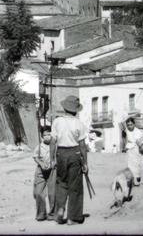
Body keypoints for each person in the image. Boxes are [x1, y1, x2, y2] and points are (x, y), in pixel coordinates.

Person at [50, 95, 89, 225]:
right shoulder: (79, 124)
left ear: (65, 108)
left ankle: (60, 208)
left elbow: (52, 142)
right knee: (75, 186)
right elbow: (82, 145)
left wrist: (52, 159)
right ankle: (73, 217)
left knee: (61, 182)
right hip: (74, 153)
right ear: (76, 110)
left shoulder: (57, 122)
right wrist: (85, 163)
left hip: (61, 153)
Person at [32, 125, 56, 221]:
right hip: (41, 171)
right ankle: (41, 213)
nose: (47, 137)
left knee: (52, 193)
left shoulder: (54, 145)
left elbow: (57, 157)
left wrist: (54, 163)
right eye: (45, 135)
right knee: (38, 193)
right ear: (42, 136)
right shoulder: (39, 147)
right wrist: (41, 164)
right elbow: (35, 157)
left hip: (52, 171)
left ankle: (52, 214)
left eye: (49, 134)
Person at [124, 117, 143, 185]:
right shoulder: (126, 131)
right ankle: (133, 180)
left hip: (137, 149)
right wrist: (126, 147)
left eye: (131, 124)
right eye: (128, 125)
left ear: (134, 124)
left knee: (138, 165)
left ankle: (139, 179)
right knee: (130, 165)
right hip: (130, 150)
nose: (129, 126)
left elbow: (140, 142)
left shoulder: (138, 131)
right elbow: (126, 140)